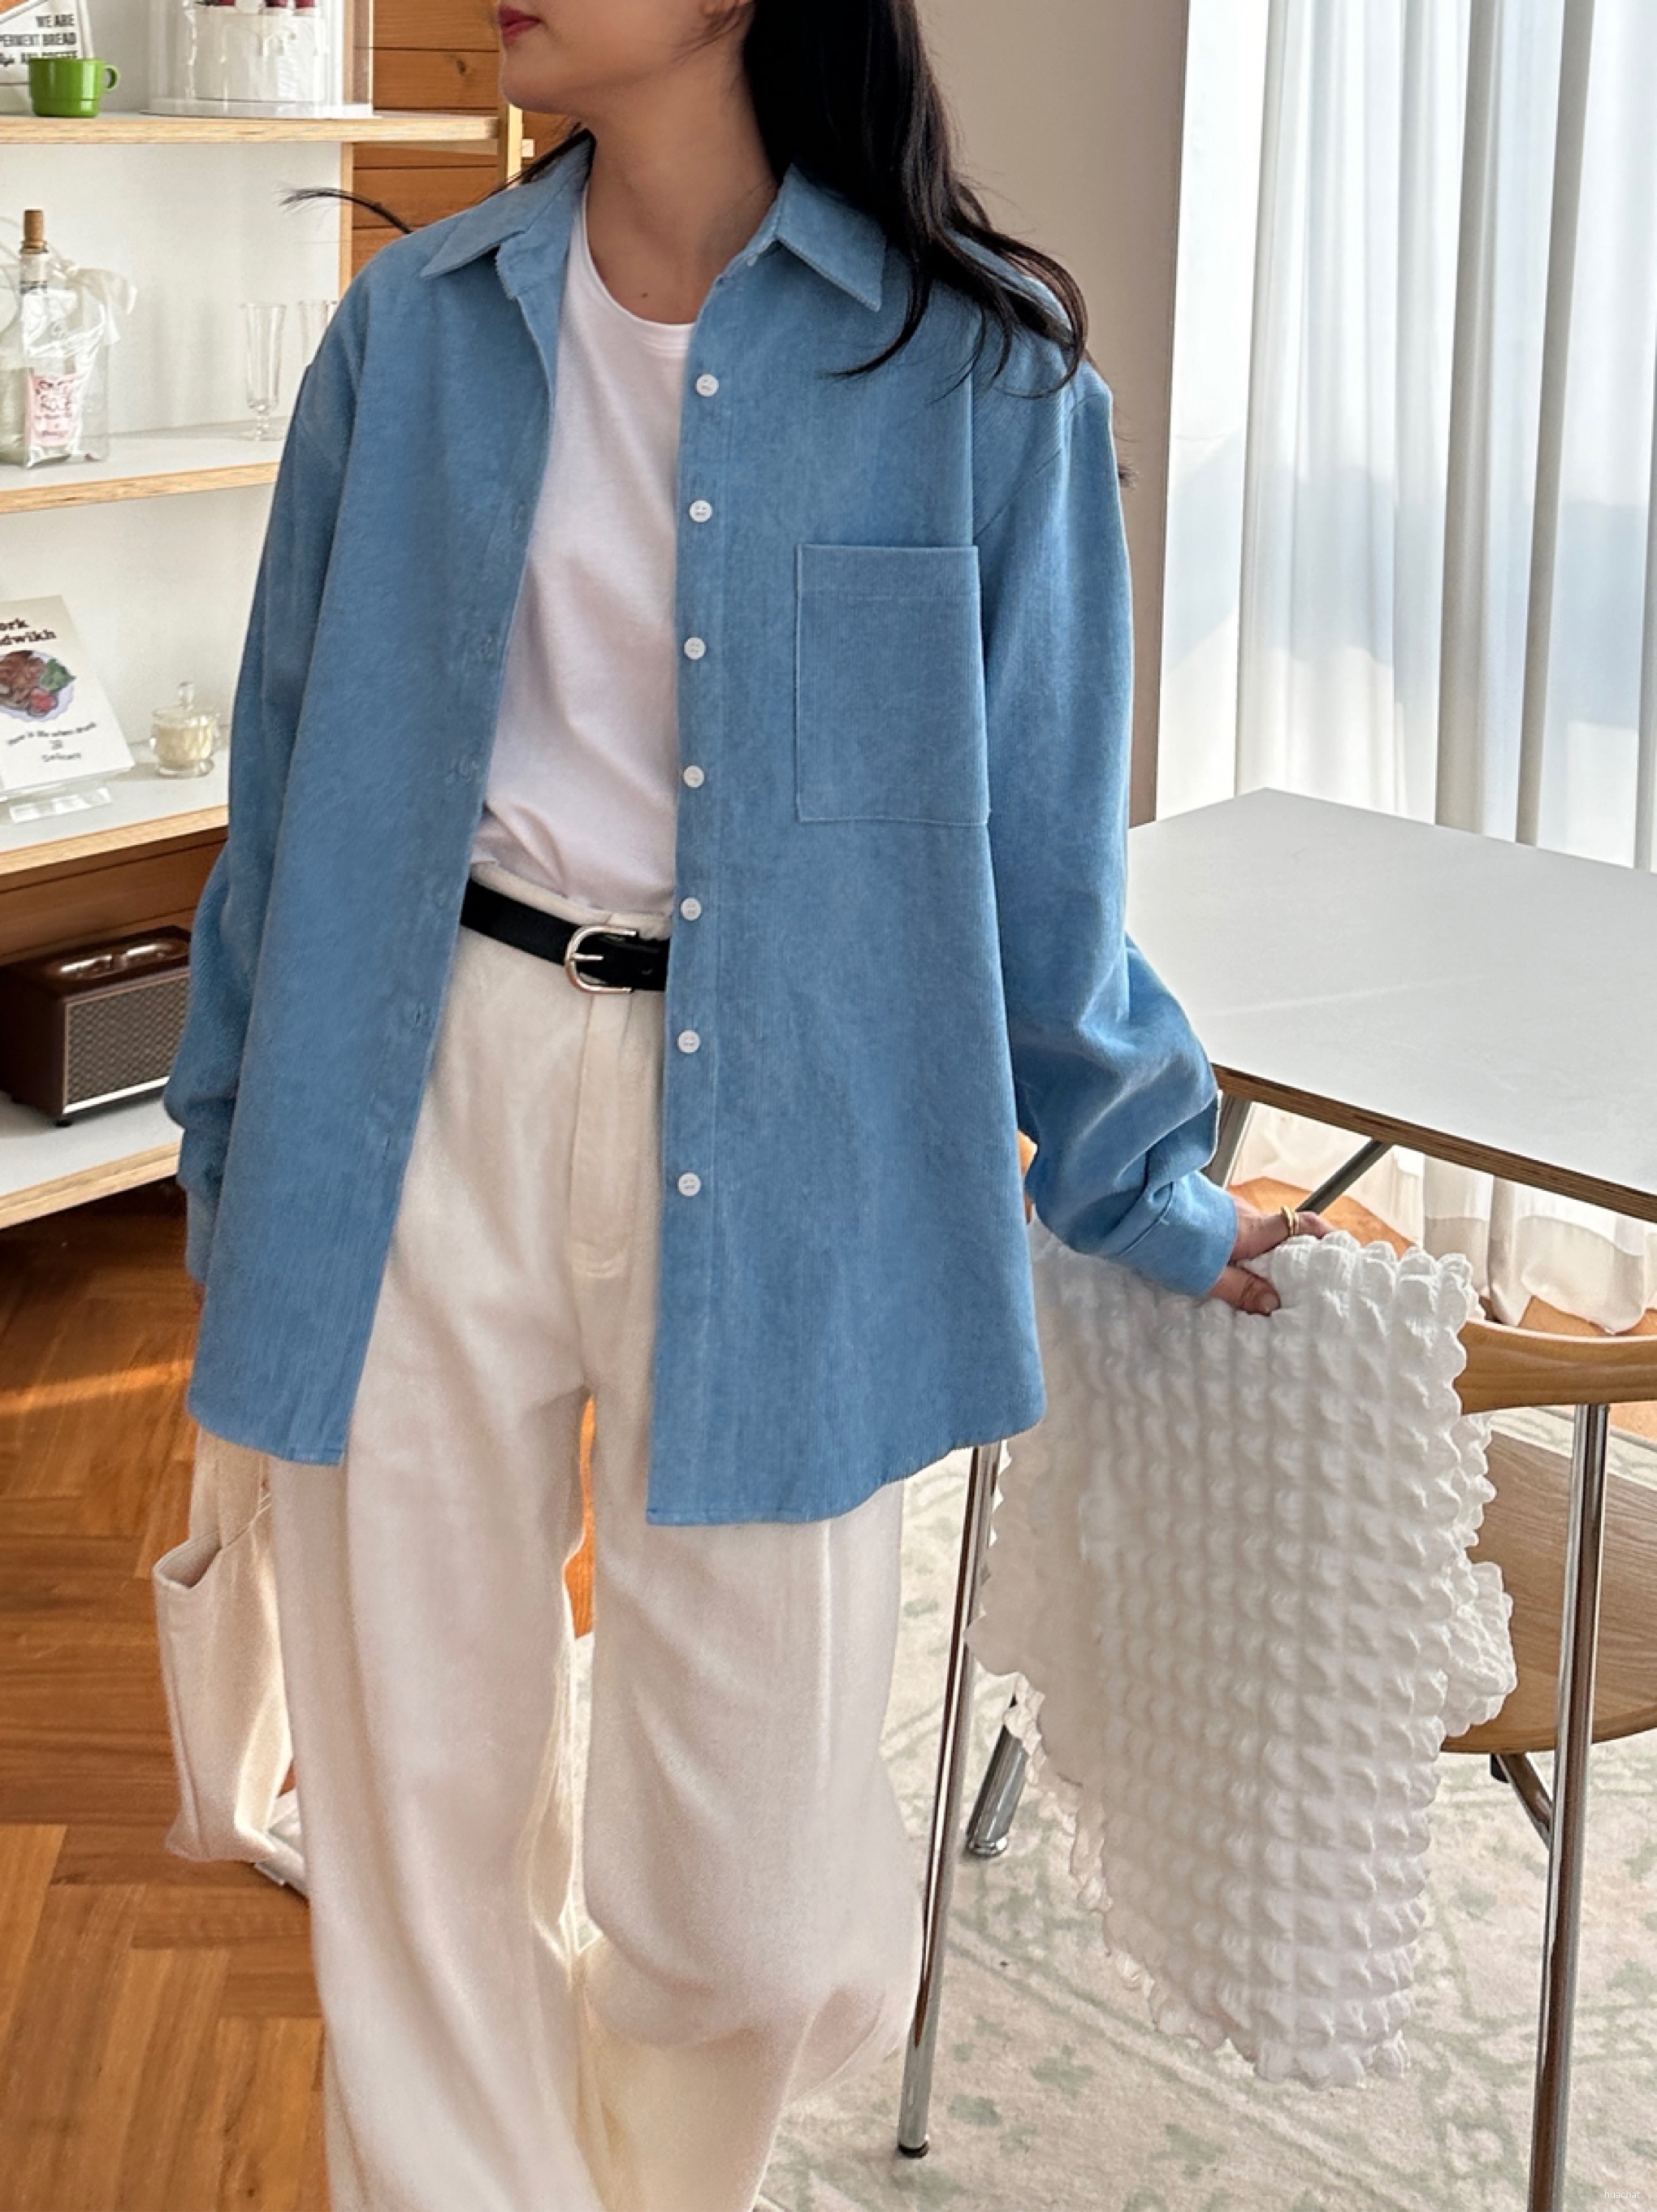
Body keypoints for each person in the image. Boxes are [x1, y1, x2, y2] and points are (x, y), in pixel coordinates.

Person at [165, 2, 1329, 2206]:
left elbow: (1043, 878)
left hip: (792, 1135)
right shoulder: (409, 333)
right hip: (412, 1094)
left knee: (752, 1912)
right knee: (413, 1825)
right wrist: (236, 1162)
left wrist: (1152, 1184)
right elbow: (284, 783)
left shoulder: (984, 384)